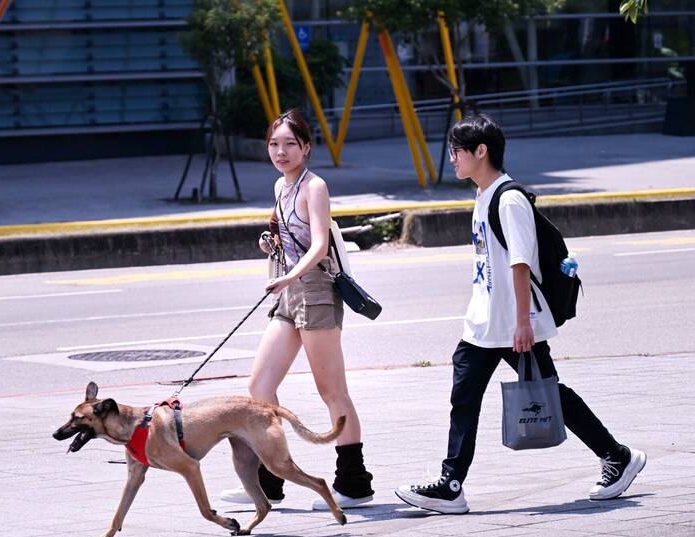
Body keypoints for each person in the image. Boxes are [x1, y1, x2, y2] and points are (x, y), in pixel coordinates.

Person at [395, 114, 646, 514]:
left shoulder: (507, 198)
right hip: (483, 323)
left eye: (456, 151)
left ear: (481, 151)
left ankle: (617, 456)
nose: (452, 159)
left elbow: (520, 262)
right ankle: (451, 484)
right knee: (464, 399)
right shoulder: (481, 194)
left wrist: (523, 323)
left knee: (550, 393)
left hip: (513, 324)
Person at [220, 109, 375, 509]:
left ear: (306, 147)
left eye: (290, 144)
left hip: (316, 292)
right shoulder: (280, 186)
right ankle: (271, 480)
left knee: (332, 391)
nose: (281, 151)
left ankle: (354, 484)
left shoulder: (315, 187)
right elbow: (286, 234)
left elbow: (320, 245)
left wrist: (289, 277)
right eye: (274, 144)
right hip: (289, 295)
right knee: (259, 387)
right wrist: (269, 244)